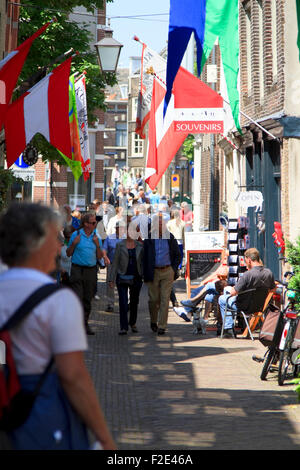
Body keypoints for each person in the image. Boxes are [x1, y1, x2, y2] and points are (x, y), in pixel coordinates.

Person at [0, 202, 116, 450]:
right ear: (37, 243)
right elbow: (73, 376)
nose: (60, 245)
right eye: (55, 237)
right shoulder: (58, 301)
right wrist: (104, 437)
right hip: (38, 411)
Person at [218, 248, 276, 338]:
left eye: (245, 260)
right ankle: (229, 327)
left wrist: (233, 289)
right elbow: (273, 290)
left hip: (244, 306)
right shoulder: (269, 273)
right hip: (260, 306)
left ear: (249, 260)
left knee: (222, 298)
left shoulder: (248, 274)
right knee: (227, 292)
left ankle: (228, 329)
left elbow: (234, 292)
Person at [143, 213, 181, 335]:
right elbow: (144, 257)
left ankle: (162, 326)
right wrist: (145, 272)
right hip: (153, 271)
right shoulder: (149, 239)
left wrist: (173, 269)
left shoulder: (170, 237)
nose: (162, 226)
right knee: (154, 300)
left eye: (163, 224)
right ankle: (153, 321)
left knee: (165, 299)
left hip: (167, 271)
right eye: (159, 224)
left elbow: (177, 255)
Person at [67, 212, 103, 335]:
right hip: (77, 269)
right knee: (77, 297)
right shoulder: (76, 235)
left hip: (91, 270)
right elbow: (68, 253)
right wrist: (74, 243)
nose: (95, 224)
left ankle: (84, 324)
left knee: (87, 298)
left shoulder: (96, 236)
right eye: (93, 223)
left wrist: (98, 245)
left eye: (95, 223)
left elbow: (99, 256)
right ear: (86, 224)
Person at [109, 221, 144, 335]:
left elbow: (142, 263)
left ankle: (132, 323)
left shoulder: (140, 246)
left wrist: (144, 275)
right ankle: (123, 327)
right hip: (122, 277)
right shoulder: (120, 245)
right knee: (123, 303)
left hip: (136, 278)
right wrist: (111, 279)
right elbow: (115, 263)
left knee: (134, 302)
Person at [102, 221, 126, 312]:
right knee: (110, 284)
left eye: (122, 228)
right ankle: (110, 304)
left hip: (123, 265)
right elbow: (104, 249)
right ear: (116, 228)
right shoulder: (110, 238)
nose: (120, 229)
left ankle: (124, 303)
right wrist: (105, 257)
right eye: (118, 228)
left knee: (124, 283)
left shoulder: (126, 239)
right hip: (112, 264)